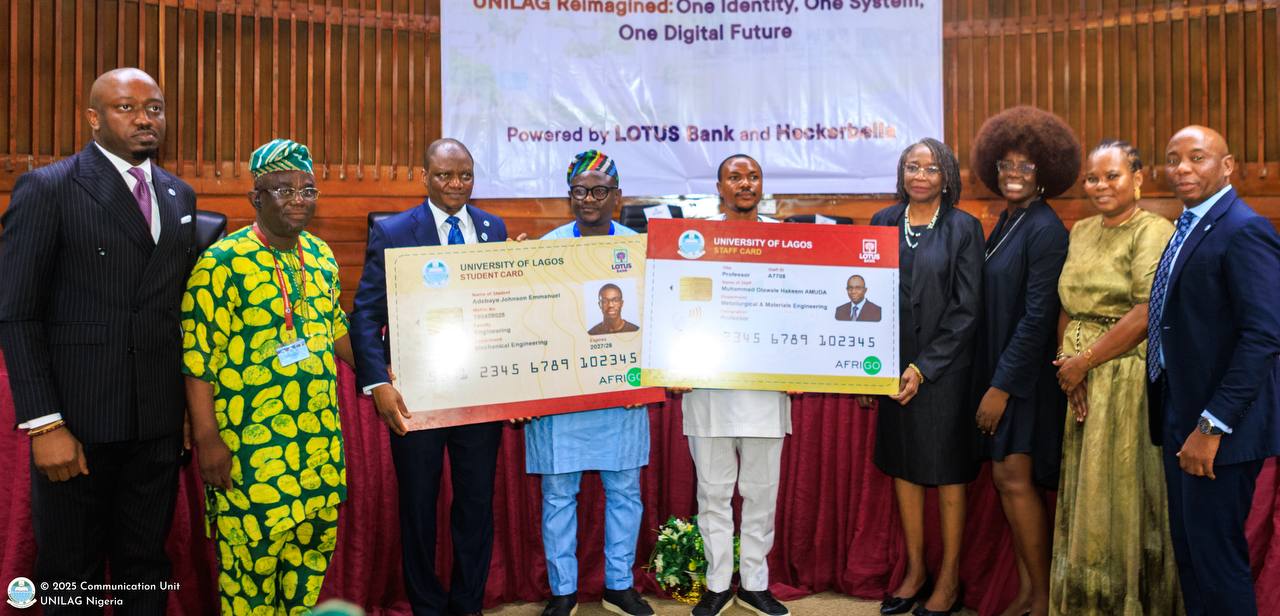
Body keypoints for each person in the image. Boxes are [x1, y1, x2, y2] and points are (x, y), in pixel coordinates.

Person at [0, 67, 195, 614]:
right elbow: (17, 315)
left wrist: (182, 409)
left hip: (156, 426)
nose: (144, 119)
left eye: (154, 108)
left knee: (146, 568)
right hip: (78, 423)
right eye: (126, 107)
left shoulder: (179, 193)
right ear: (93, 118)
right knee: (71, 575)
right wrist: (45, 424)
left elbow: (175, 313)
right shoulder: (50, 187)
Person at [182, 139, 355, 614]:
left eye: (307, 190)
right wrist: (208, 440)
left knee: (307, 576)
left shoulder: (320, 254)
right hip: (251, 454)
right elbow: (197, 359)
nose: (298, 199)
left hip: (317, 450)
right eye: (283, 189)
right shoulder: (221, 264)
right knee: (249, 580)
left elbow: (335, 328)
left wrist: (385, 374)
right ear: (255, 197)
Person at [350, 138, 508, 616]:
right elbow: (365, 313)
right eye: (444, 175)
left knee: (476, 506)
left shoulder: (493, 228)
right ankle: (426, 606)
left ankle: (468, 604)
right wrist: (377, 382)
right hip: (417, 394)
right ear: (424, 177)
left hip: (480, 394)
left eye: (465, 175)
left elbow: (503, 307)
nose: (456, 184)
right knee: (419, 506)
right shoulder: (395, 231)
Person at [1147, 126, 1280, 616]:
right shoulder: (1189, 224)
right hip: (1179, 414)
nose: (1181, 168)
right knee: (1191, 556)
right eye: (1173, 159)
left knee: (1218, 564)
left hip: (1219, 429)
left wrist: (1212, 425)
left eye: (1196, 157)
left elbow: (1263, 337)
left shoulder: (1244, 230)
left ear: (1227, 167)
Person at [1047, 140, 1181, 615]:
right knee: (1087, 493)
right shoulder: (1081, 230)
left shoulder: (1154, 229)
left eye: (1112, 176)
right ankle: (1085, 602)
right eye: (1092, 178)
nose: (1100, 185)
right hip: (1078, 376)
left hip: (1125, 374)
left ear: (1138, 178)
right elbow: (1067, 304)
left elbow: (1146, 311)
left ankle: (1126, 602)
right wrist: (1067, 364)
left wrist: (1085, 362)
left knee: (1120, 491)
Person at [526, 150, 654, 616]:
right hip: (563, 396)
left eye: (600, 190)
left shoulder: (640, 249)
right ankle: (563, 591)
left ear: (617, 196)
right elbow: (532, 320)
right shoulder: (546, 248)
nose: (589, 199)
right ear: (570, 196)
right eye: (579, 191)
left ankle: (619, 585)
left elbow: (656, 319)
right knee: (559, 495)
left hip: (621, 394)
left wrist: (647, 379)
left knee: (625, 492)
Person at [867, 138, 983, 616]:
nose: (920, 175)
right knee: (903, 465)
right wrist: (865, 368)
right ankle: (915, 572)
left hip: (945, 372)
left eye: (931, 168)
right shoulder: (882, 221)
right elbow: (865, 294)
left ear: (947, 177)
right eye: (912, 167)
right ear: (901, 173)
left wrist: (924, 367)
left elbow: (966, 309)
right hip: (889, 371)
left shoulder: (964, 228)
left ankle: (949, 579)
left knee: (948, 471)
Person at [969, 106, 1077, 616]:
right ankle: (1027, 592)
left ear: (1046, 171)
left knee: (1014, 480)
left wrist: (1001, 387)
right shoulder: (1009, 220)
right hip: (1003, 369)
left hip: (1024, 380)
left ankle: (1043, 599)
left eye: (1026, 166)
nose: (1013, 173)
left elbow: (1038, 318)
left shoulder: (1045, 229)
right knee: (1007, 482)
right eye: (1005, 164)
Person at [678, 154, 792, 616]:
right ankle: (718, 583)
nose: (746, 184)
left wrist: (809, 365)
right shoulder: (693, 241)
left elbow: (803, 307)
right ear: (719, 187)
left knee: (762, 492)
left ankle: (756, 584)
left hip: (766, 389)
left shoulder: (787, 240)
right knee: (713, 493)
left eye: (753, 176)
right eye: (735, 177)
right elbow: (675, 304)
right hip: (708, 388)